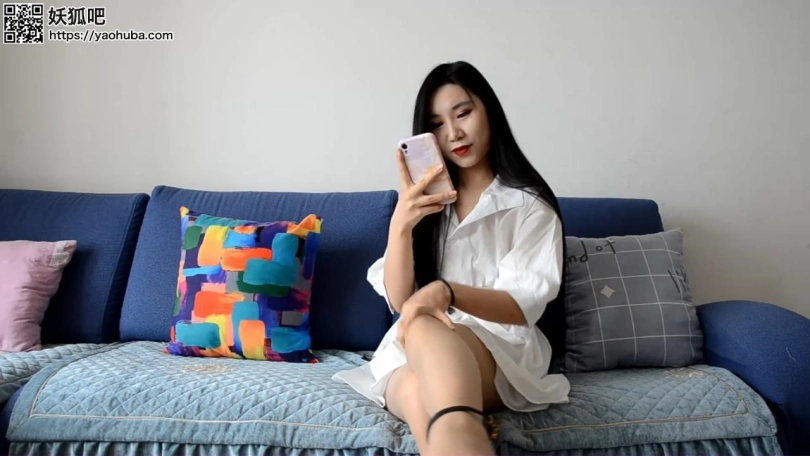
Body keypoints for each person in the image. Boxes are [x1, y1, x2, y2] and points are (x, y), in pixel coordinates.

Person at [332, 61, 570, 455]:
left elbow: (522, 305)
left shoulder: (528, 205)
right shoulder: (427, 206)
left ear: (489, 111)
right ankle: (465, 435)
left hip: (498, 348)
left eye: (463, 113)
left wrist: (446, 292)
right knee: (414, 382)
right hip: (411, 349)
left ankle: (460, 427)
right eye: (437, 124)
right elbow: (399, 299)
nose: (453, 133)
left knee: (424, 325)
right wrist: (401, 225)